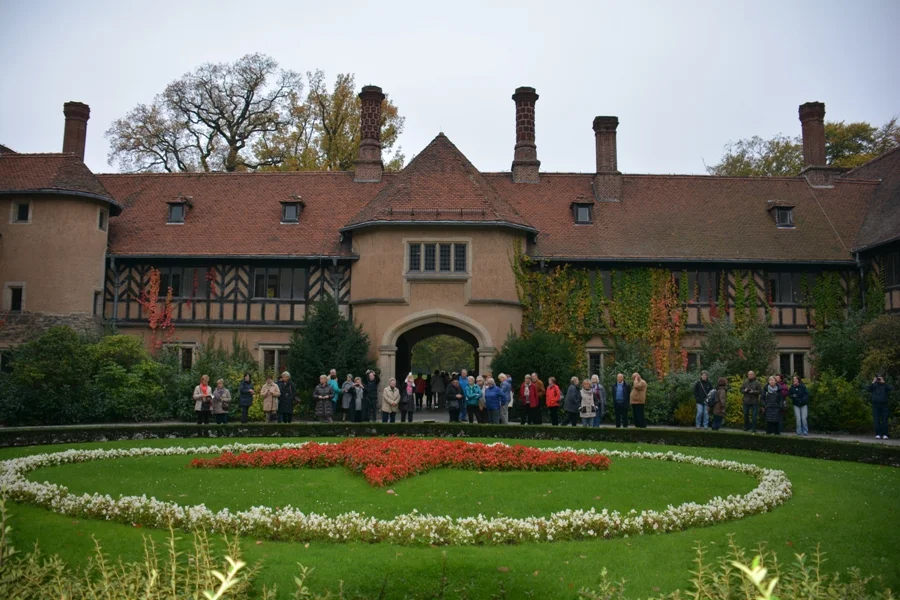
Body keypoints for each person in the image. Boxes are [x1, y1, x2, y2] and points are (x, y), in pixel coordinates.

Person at [868, 374, 893, 440]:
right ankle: (878, 434)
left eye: (879, 378)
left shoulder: (885, 385)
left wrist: (883, 382)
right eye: (877, 378)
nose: (878, 380)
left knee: (884, 420)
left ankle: (885, 434)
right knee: (876, 420)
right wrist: (873, 382)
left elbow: (891, 388)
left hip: (884, 405)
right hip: (875, 405)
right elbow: (868, 389)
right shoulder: (873, 386)